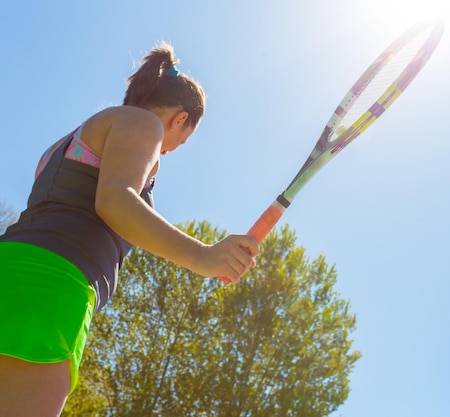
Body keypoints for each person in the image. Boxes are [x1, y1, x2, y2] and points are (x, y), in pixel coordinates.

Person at [0, 42, 259, 417]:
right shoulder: (142, 123)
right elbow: (115, 202)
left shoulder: (69, 142)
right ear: (180, 119)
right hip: (52, 286)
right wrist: (203, 256)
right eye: (178, 144)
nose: (167, 152)